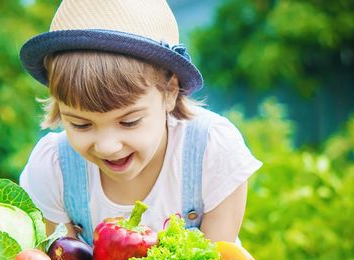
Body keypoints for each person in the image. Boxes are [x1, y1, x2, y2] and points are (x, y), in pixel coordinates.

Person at [18, 0, 261, 245]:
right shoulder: (54, 169)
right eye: (81, 125)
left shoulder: (211, 151)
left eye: (129, 122)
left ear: (170, 92)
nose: (107, 146)